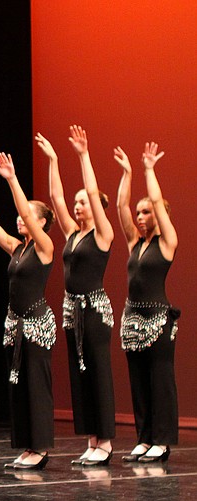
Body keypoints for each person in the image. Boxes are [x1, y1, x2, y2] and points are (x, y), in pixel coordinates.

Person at [36, 127, 117, 467]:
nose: (77, 205)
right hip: (73, 311)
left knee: (98, 371)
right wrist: (54, 160)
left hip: (94, 311)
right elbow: (56, 198)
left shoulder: (102, 233)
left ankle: (106, 441)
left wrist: (84, 155)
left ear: (95, 207)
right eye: (77, 202)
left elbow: (93, 191)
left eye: (82, 201)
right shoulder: (72, 232)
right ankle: (91, 439)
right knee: (80, 372)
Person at [0, 156, 56, 470]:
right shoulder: (17, 247)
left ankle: (40, 448)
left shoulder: (44, 246)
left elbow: (22, 209)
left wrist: (11, 179)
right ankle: (27, 445)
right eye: (22, 216)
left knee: (36, 386)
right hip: (15, 326)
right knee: (18, 386)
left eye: (29, 216)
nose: (21, 219)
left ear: (41, 223)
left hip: (36, 325)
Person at [114, 142, 179, 463]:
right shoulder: (134, 242)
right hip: (132, 319)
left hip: (158, 320)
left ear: (159, 215)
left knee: (159, 380)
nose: (140, 217)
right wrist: (127, 173)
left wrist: (148, 170)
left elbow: (156, 199)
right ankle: (144, 438)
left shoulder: (167, 242)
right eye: (139, 213)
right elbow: (120, 207)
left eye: (146, 212)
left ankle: (162, 441)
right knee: (138, 381)